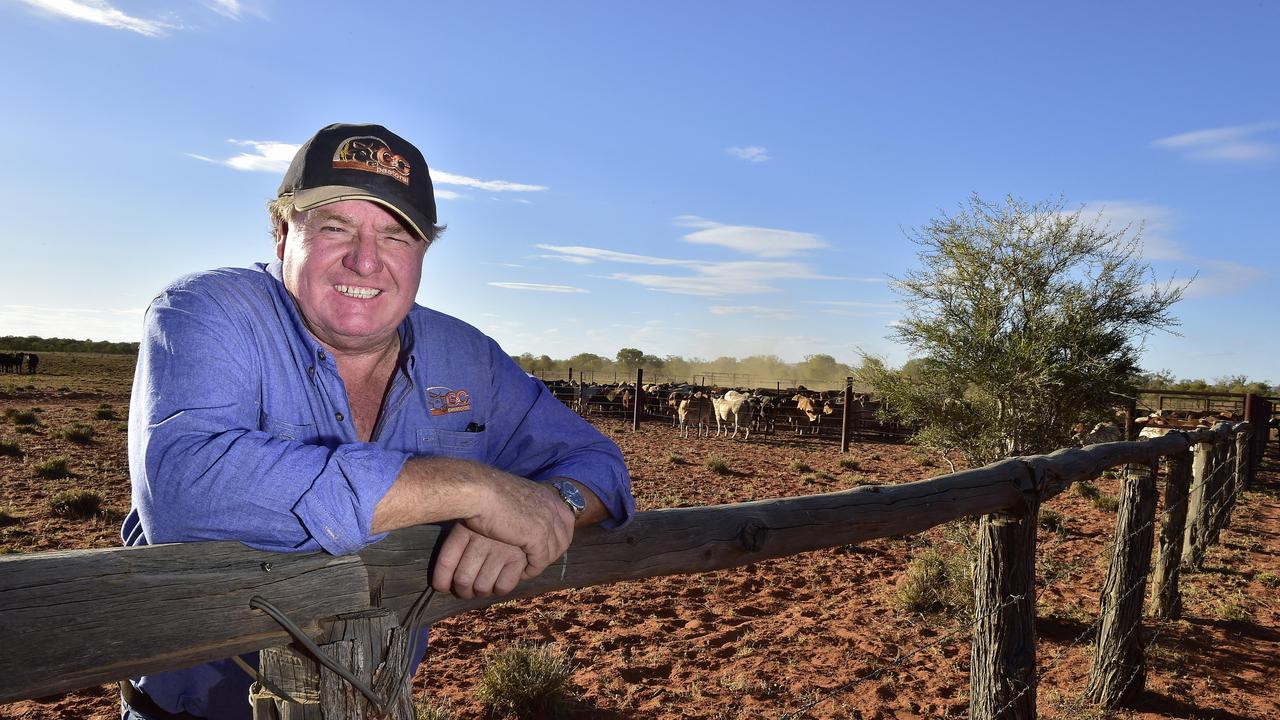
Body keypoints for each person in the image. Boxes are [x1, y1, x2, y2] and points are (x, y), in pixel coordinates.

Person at [119, 123, 634, 720]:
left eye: (396, 235)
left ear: (422, 253)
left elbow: (598, 465)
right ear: (283, 234)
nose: (365, 261)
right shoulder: (211, 313)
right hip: (195, 712)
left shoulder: (466, 356)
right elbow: (187, 491)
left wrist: (552, 504)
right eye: (335, 226)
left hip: (377, 704)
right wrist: (472, 488)